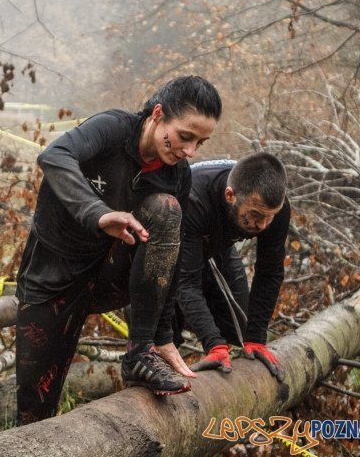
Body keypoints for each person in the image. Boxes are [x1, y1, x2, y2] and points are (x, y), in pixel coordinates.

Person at [15, 75, 222, 425]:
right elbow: (54, 155)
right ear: (158, 114)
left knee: (168, 209)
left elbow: (171, 256)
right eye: (185, 137)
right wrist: (98, 214)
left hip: (111, 276)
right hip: (54, 276)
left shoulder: (178, 176)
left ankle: (138, 354)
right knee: (34, 412)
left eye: (200, 142)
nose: (189, 151)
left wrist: (162, 337)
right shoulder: (113, 127)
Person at [175, 154, 289, 381]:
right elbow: (185, 281)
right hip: (173, 242)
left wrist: (256, 338)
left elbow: (270, 271)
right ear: (230, 196)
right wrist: (213, 345)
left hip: (218, 245)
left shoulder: (275, 208)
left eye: (270, 217)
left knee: (240, 326)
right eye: (255, 216)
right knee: (167, 320)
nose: (263, 225)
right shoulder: (192, 195)